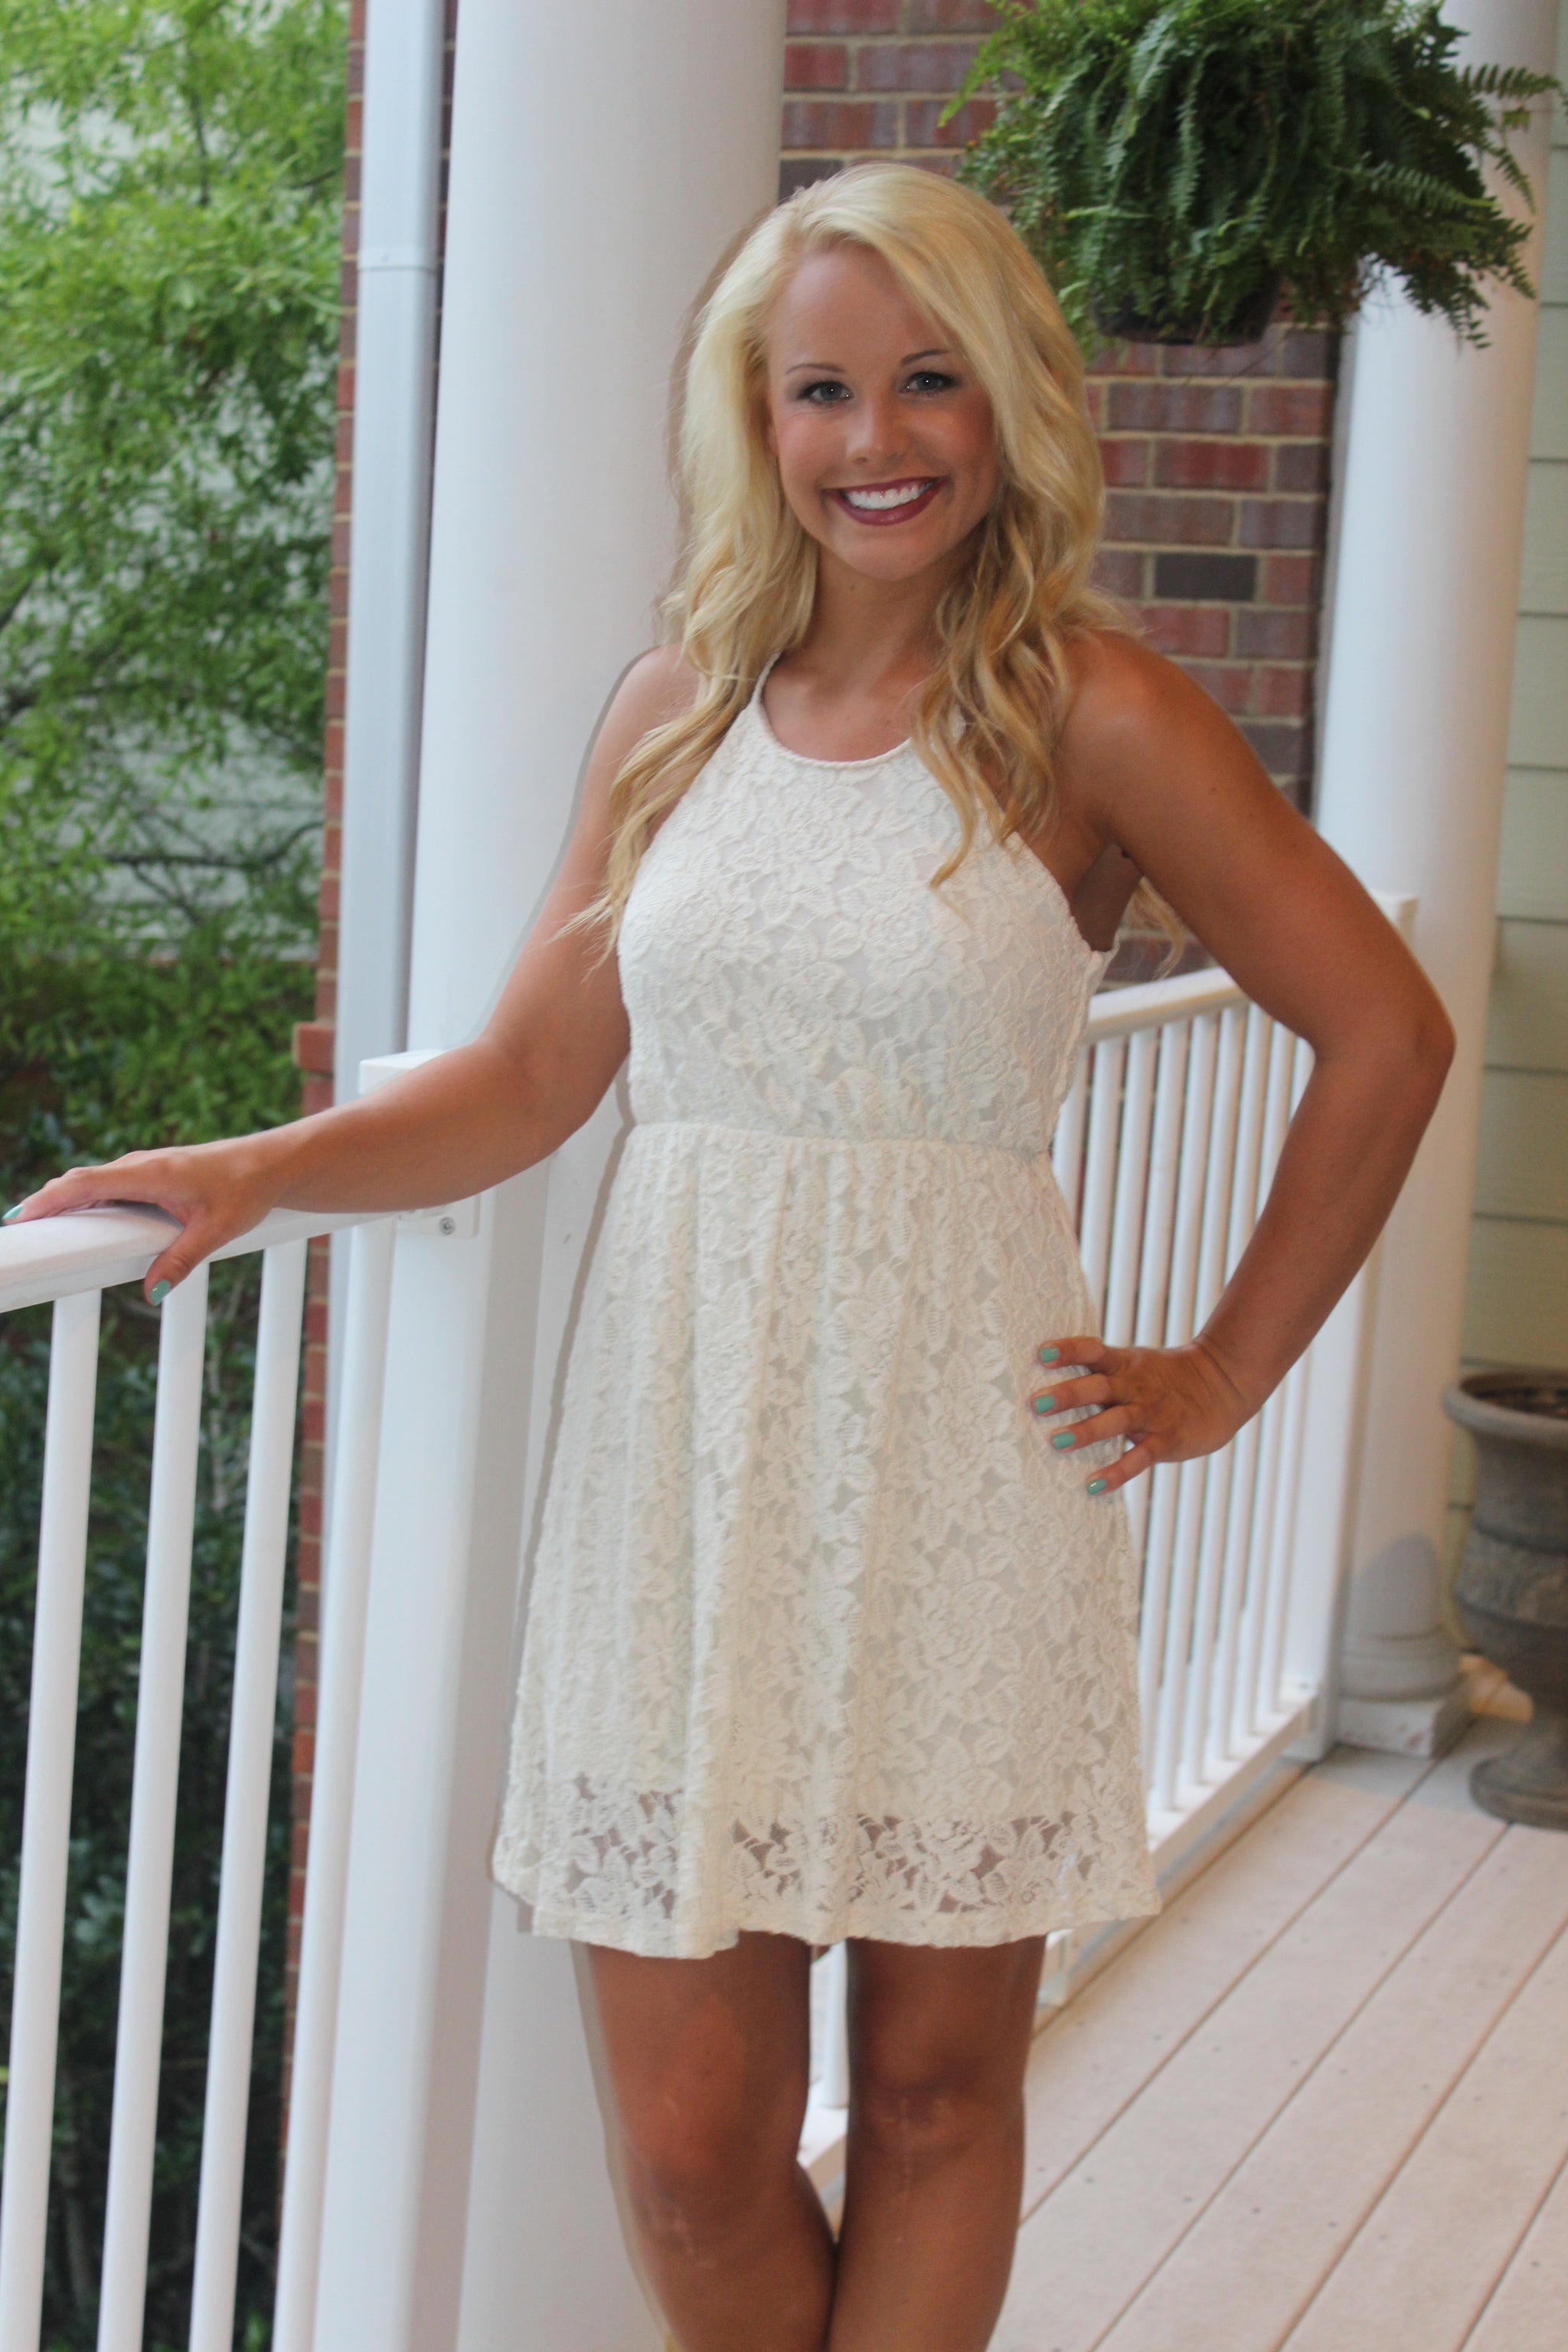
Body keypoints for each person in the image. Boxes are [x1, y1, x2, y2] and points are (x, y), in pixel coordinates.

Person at [6, 164, 1452, 2351]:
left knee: (937, 2096)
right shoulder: (676, 708)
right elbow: (527, 1076)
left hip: (964, 1474)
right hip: (678, 1481)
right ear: (756, 419)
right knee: (694, 2154)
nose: (877, 439)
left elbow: (1386, 1033)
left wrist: (1226, 1370)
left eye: (928, 380)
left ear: (1010, 397)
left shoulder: (1092, 714)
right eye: (821, 391)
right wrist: (257, 1165)